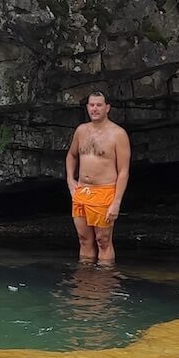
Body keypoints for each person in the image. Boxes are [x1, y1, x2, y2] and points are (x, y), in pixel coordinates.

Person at [65, 91, 130, 265]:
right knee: (84, 239)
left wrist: (116, 202)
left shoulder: (118, 134)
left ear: (107, 108)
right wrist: (70, 181)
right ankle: (85, 283)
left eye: (99, 105)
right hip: (82, 191)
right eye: (92, 105)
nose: (95, 109)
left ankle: (103, 284)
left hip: (104, 191)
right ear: (87, 107)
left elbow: (123, 171)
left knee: (103, 241)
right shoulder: (81, 130)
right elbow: (71, 156)